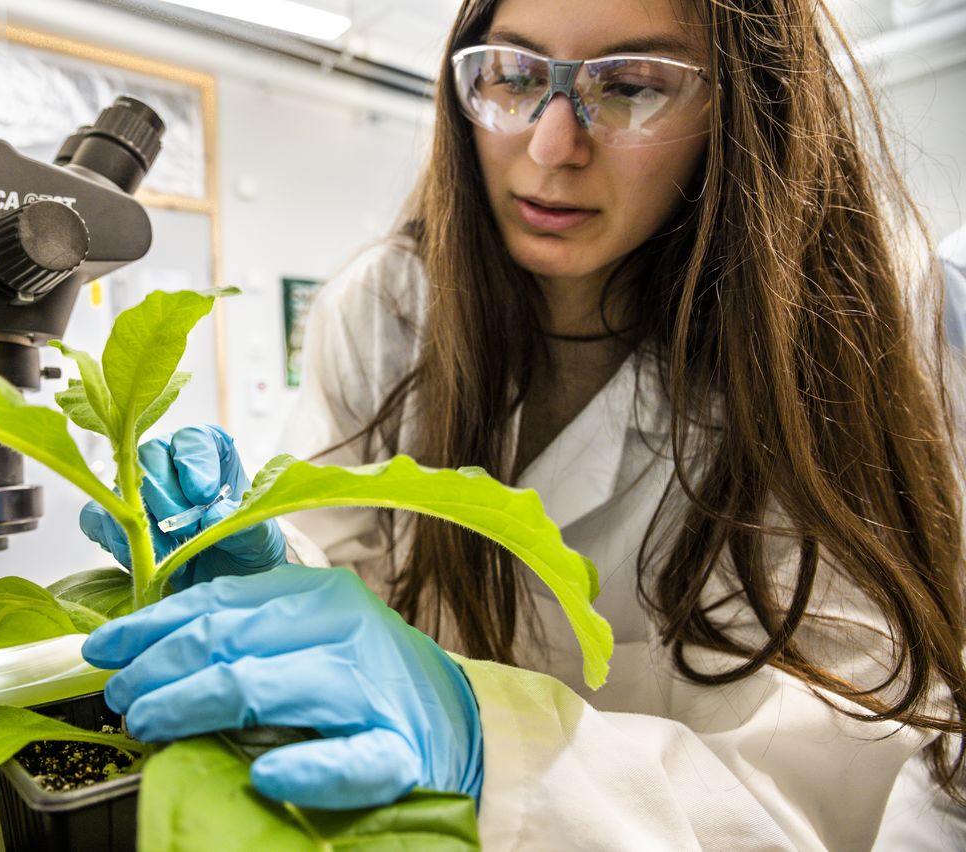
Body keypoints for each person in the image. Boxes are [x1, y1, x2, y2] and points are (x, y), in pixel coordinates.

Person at [78, 0, 966, 846]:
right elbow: (346, 566)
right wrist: (268, 559)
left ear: (744, 107)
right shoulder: (388, 308)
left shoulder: (836, 338)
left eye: (631, 84)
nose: (549, 146)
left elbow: (817, 794)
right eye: (510, 73)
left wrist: (484, 747)